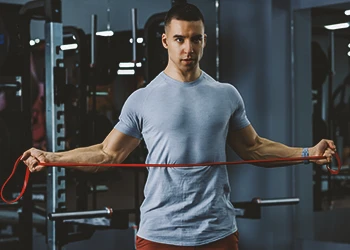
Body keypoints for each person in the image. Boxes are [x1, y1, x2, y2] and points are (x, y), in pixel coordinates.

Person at [21, 3, 336, 250]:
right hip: (160, 234)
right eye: (180, 39)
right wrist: (51, 157)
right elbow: (107, 153)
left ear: (204, 41)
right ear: (165, 41)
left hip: (218, 231)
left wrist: (308, 152)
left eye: (195, 39)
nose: (188, 48)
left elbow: (255, 148)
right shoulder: (142, 100)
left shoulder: (226, 95)